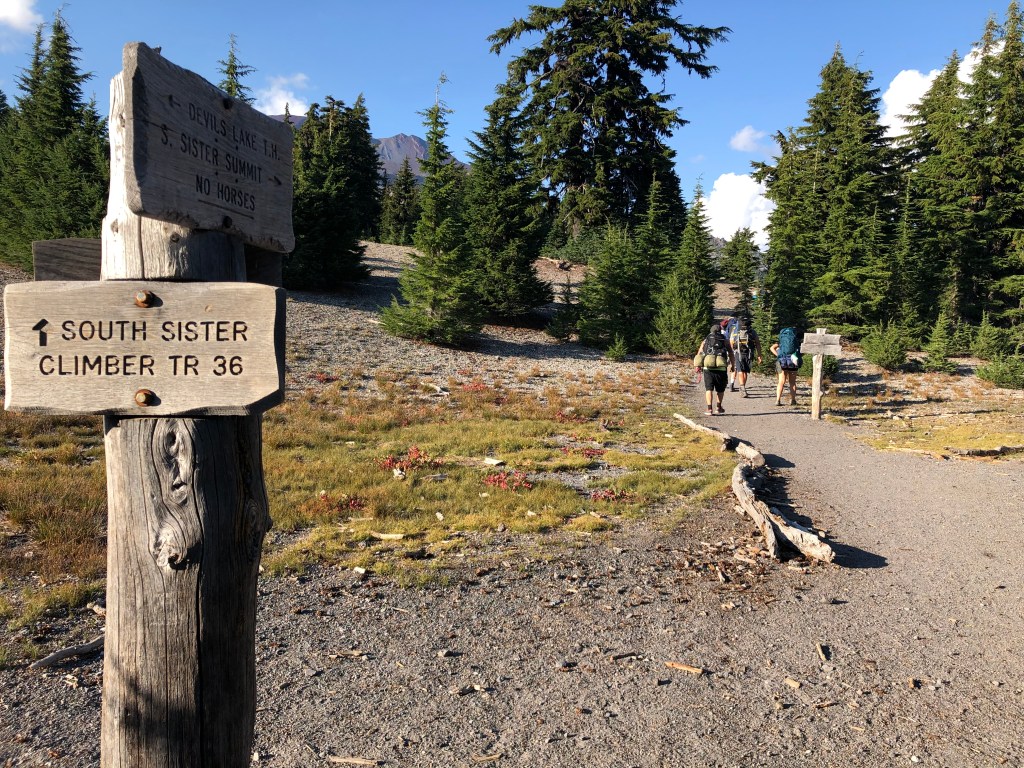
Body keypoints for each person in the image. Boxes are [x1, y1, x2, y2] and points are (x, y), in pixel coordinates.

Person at [694, 323, 734, 416]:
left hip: (708, 368)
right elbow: (731, 353)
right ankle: (719, 407)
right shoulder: (724, 339)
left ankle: (709, 409)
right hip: (721, 368)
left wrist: (698, 365)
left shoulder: (706, 339)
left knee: (709, 389)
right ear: (720, 330)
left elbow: (700, 352)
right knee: (720, 389)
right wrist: (732, 365)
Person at [727, 316, 762, 397]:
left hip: (738, 353)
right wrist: (759, 355)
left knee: (740, 371)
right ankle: (743, 388)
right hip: (749, 353)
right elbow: (757, 343)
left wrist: (732, 352)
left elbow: (731, 342)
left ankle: (742, 388)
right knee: (745, 371)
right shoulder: (752, 331)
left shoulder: (735, 330)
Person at [770, 327, 801, 406]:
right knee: (792, 382)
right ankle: (793, 400)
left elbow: (772, 348)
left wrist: (778, 355)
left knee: (781, 382)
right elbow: (800, 352)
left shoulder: (780, 342)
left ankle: (778, 400)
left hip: (782, 362)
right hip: (793, 362)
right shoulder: (796, 341)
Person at [720, 314, 739, 390]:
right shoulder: (737, 325)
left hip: (727, 347)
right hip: (735, 348)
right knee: (734, 366)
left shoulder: (727, 325)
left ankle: (723, 381)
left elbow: (725, 336)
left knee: (723, 365)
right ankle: (732, 383)